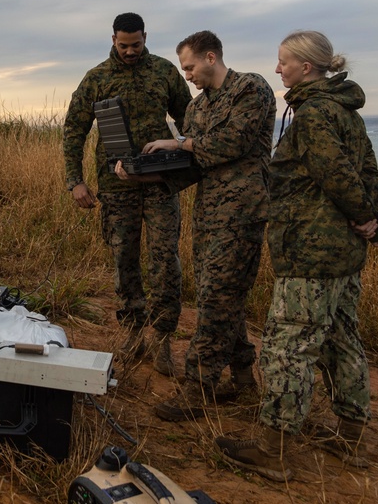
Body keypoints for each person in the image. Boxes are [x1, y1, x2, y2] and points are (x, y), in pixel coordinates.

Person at [216, 30, 378, 482]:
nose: (278, 69)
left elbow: (336, 174)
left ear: (306, 67)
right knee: (341, 338)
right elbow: (369, 171)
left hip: (311, 251)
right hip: (344, 252)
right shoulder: (346, 111)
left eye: (283, 62)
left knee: (286, 346)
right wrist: (371, 221)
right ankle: (350, 439)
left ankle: (273, 451)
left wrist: (364, 216)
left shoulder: (312, 114)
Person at [116, 31, 276, 420]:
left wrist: (179, 143)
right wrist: (144, 175)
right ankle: (242, 382)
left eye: (189, 67)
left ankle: (196, 388)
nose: (186, 76)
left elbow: (231, 143)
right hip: (209, 214)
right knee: (221, 296)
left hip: (242, 213)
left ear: (210, 56)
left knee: (216, 299)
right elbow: (194, 165)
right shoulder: (199, 108)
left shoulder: (250, 89)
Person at [63, 12, 192, 374]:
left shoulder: (165, 72)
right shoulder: (97, 78)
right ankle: (133, 331)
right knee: (124, 260)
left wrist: (188, 150)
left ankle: (162, 339)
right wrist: (75, 181)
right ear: (113, 39)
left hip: (159, 183)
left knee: (165, 259)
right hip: (116, 187)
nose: (131, 51)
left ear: (145, 37)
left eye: (136, 44)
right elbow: (73, 130)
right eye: (124, 45)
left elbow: (190, 122)